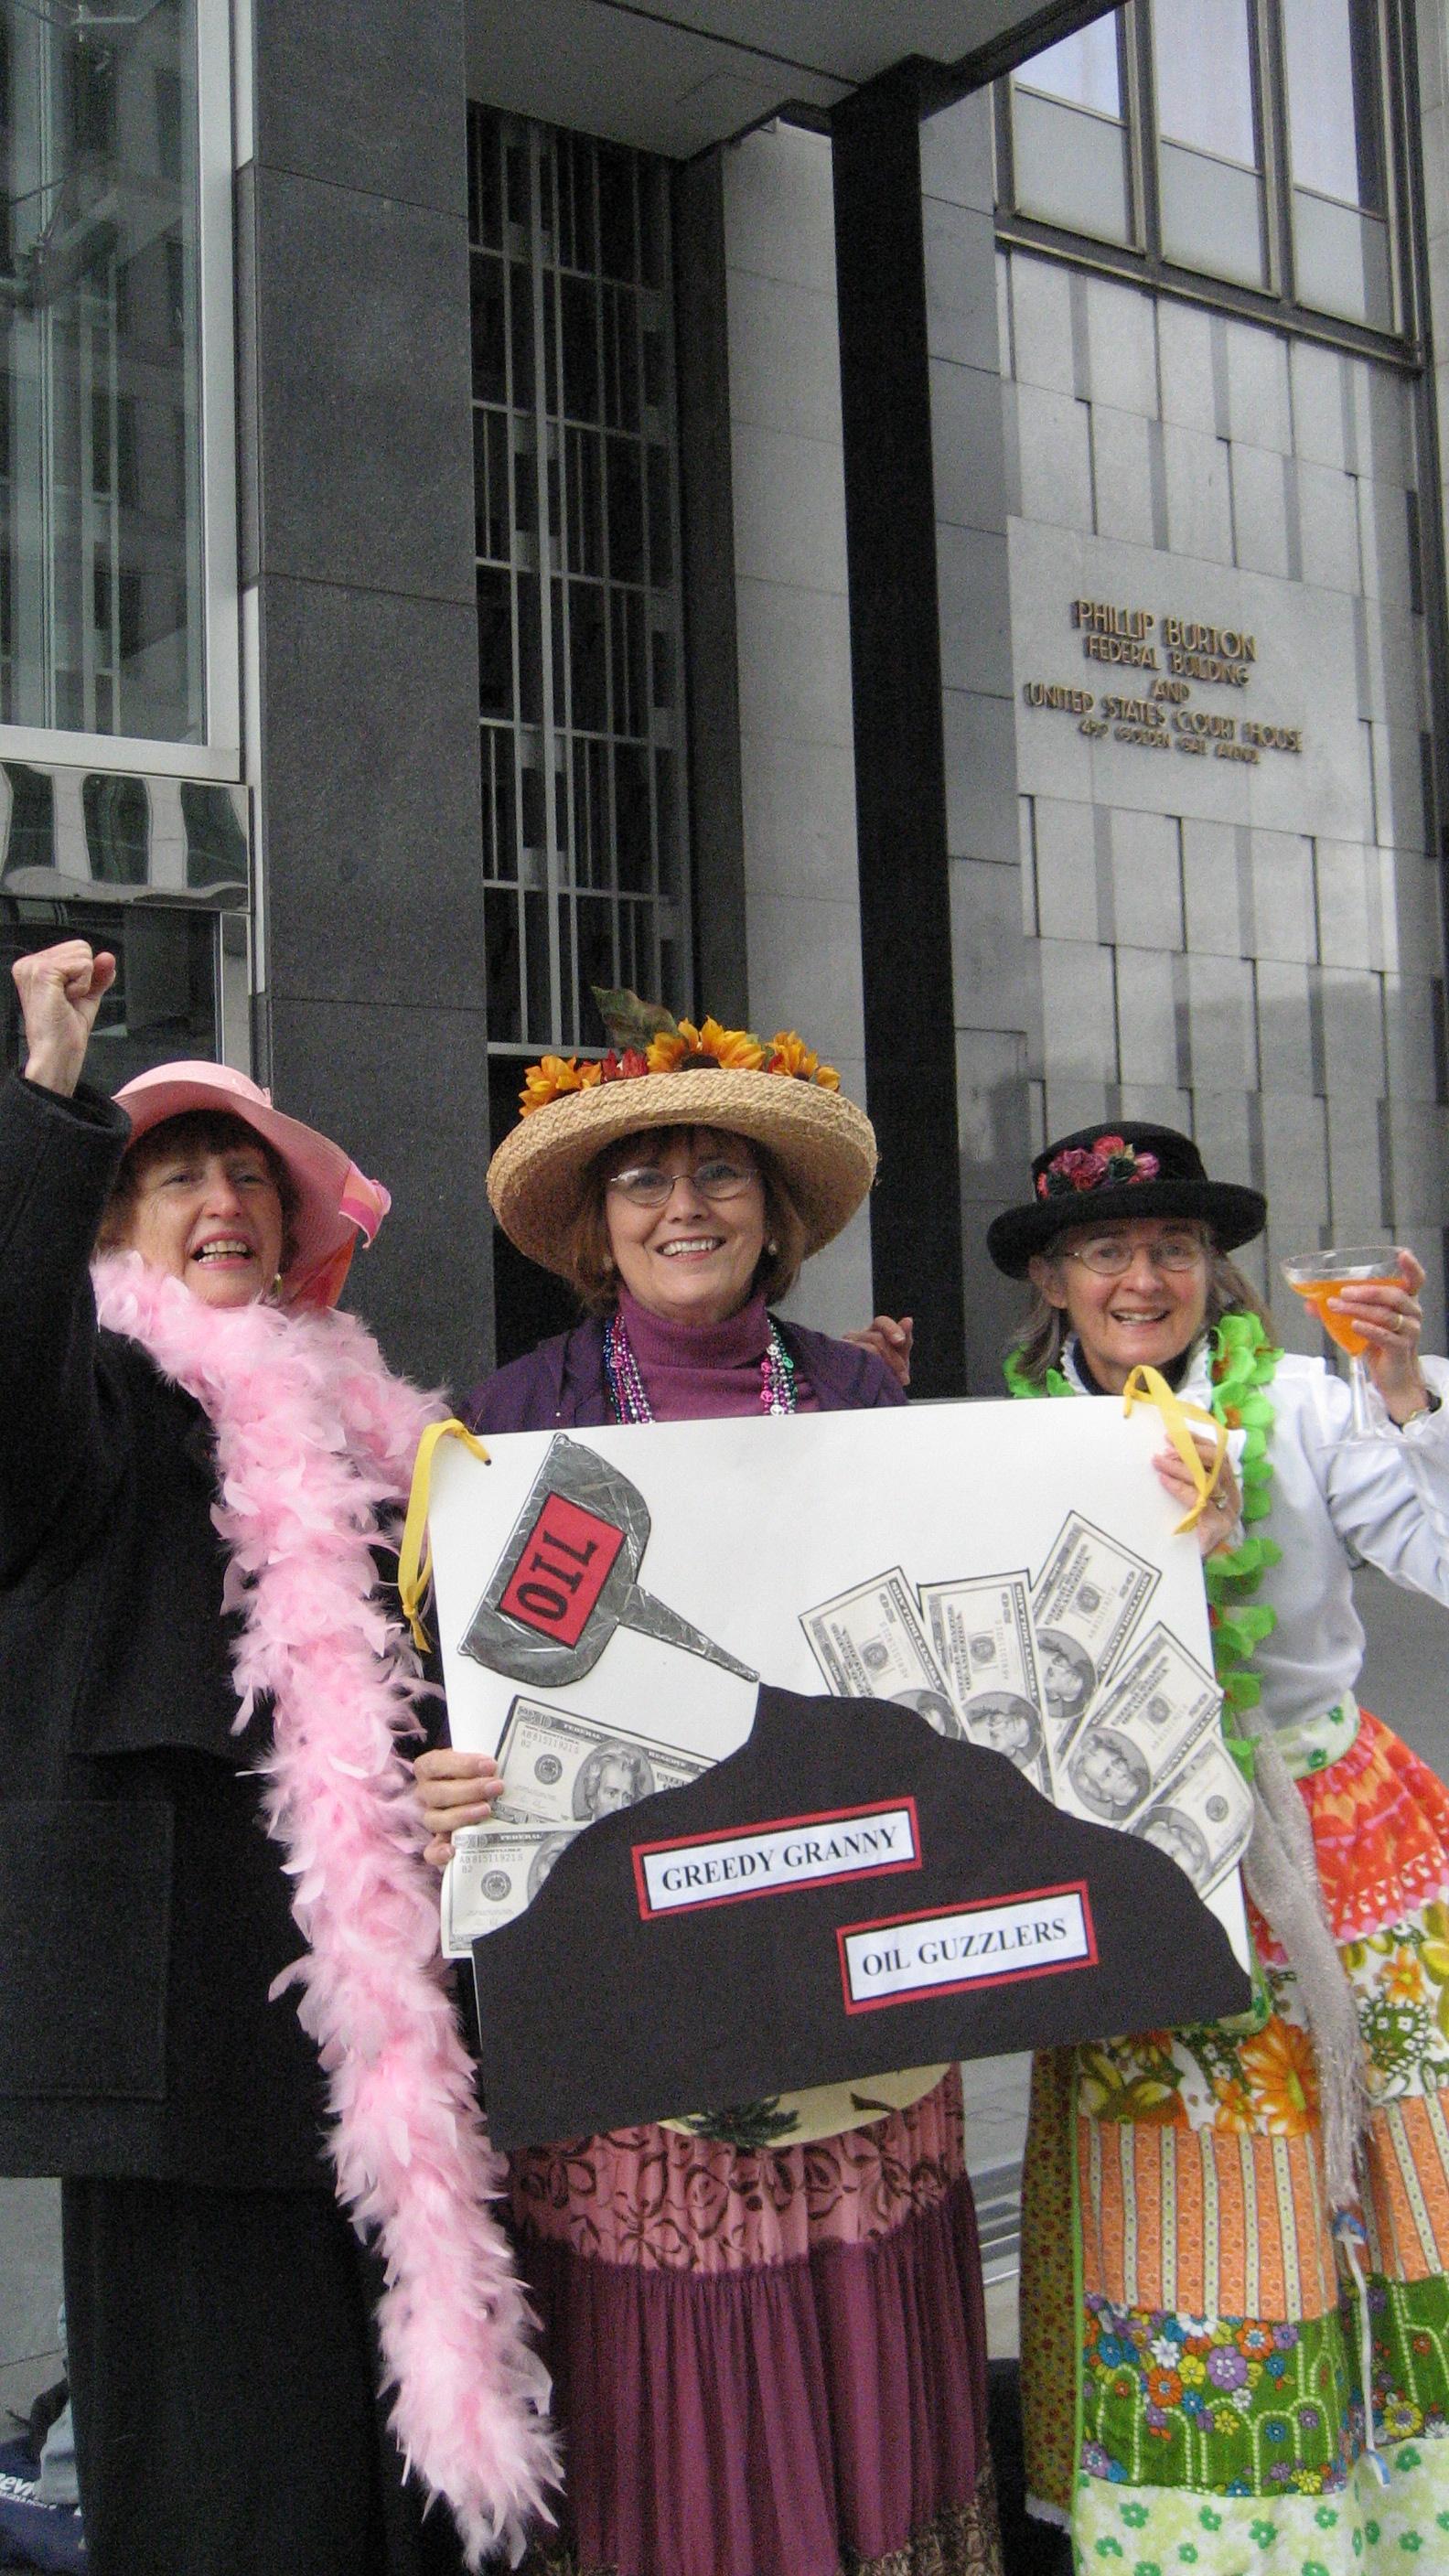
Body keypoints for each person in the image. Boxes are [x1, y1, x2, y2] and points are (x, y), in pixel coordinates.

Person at [417, 1007, 1003, 2576]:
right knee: (678, 2358)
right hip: (634, 1990)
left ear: (775, 1210)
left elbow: (944, 1646)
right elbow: (451, 1689)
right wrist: (442, 1780)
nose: (685, 1207)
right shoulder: (508, 1424)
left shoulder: (861, 1403)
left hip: (854, 1965)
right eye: (645, 1180)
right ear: (597, 1226)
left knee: (854, 2306)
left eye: (721, 1173)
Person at [0, 941, 552, 2576]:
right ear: (113, 1220)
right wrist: (49, 1095)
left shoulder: (382, 1434)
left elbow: (435, 1683)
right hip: (183, 2028)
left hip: (386, 2027)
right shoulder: (94, 1397)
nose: (224, 1199)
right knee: (230, 2478)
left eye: (250, 1176)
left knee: (392, 2450)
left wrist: (448, 1775)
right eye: (176, 1174)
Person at [990, 1118, 1449, 2574]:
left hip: (1337, 1844)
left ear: (1213, 1268)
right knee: (1185, 2194)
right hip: (1144, 1860)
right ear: (1053, 1280)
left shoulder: (1310, 1406)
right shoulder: (1007, 1447)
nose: (1144, 1278)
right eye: (1107, 1251)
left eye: (1174, 1248)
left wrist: (1405, 1397)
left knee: (1398, 2176)